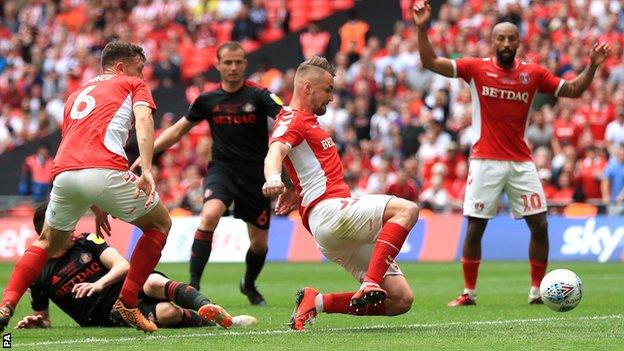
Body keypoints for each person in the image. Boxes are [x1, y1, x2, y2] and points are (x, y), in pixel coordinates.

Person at [412, 0, 611, 306]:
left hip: (521, 161)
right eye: (500, 38)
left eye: (511, 38)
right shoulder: (476, 68)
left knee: (540, 225)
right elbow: (430, 62)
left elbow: (573, 90)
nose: (506, 43)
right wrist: (422, 28)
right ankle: (469, 292)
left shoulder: (533, 74)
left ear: (519, 42)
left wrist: (593, 64)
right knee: (476, 226)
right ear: (493, 42)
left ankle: (536, 292)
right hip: (484, 160)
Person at [0, 40, 173, 333]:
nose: (141, 76)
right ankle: (128, 302)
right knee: (159, 224)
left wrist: (96, 203)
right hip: (106, 168)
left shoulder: (76, 94)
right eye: (139, 69)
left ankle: (6, 304)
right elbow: (144, 119)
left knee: (45, 242)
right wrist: (146, 168)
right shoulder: (132, 85)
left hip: (65, 174)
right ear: (121, 67)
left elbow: (75, 142)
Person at [262, 56, 420, 331]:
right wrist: (273, 178)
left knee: (400, 299)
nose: (332, 98)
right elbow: (276, 150)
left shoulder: (308, 122)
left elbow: (298, 161)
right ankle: (370, 282)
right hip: (330, 212)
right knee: (407, 210)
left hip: (332, 229)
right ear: (308, 87)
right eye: (328, 90)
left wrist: (290, 187)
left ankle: (316, 302)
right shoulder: (292, 119)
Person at [133, 41, 282, 305]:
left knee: (259, 244)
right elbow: (177, 131)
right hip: (222, 171)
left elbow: (286, 120)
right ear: (218, 65)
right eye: (228, 62)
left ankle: (248, 284)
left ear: (245, 64)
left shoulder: (260, 96)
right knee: (209, 216)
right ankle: (193, 286)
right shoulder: (208, 100)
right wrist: (146, 154)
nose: (233, 67)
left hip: (256, 177)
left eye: (238, 62)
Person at [15, 203, 238, 330]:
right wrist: (38, 322)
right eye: (64, 224)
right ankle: (206, 321)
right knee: (167, 313)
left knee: (152, 282)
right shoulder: (36, 273)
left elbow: (122, 265)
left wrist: (99, 284)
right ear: (49, 233)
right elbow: (43, 318)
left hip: (129, 288)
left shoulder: (87, 241)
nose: (71, 226)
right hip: (108, 314)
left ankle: (213, 308)